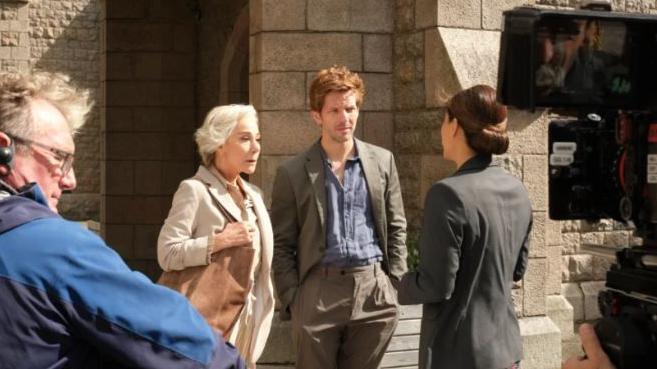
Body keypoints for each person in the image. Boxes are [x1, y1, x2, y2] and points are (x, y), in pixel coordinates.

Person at [0, 71, 244, 368]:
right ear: (4, 149)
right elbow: (182, 344)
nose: (70, 181)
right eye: (59, 158)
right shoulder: (54, 248)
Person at [271, 65, 408, 369]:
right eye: (334, 110)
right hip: (318, 291)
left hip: (373, 291)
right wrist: (294, 299)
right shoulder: (292, 173)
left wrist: (394, 283)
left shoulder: (382, 161)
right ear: (317, 115)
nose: (344, 118)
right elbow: (282, 244)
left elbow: (397, 225)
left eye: (350, 108)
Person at [397, 84, 533, 369]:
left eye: (443, 121)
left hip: (460, 355)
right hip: (506, 352)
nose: (441, 130)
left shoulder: (446, 194)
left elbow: (436, 285)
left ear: (455, 126)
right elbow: (517, 270)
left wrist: (398, 282)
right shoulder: (517, 189)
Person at [158, 104, 274, 369]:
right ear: (219, 143)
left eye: (257, 139)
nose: (255, 147)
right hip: (208, 326)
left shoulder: (254, 195)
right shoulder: (194, 191)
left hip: (248, 327)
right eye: (244, 139)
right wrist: (219, 241)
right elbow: (167, 252)